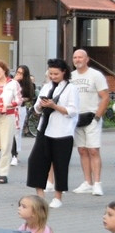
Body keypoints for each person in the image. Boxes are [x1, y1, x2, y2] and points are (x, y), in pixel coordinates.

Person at [27, 58, 79, 209]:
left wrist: (54, 106)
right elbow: (36, 110)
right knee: (36, 161)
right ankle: (40, 196)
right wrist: (41, 105)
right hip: (44, 129)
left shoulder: (71, 88)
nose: (53, 76)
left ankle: (58, 196)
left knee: (60, 165)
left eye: (56, 73)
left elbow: (73, 111)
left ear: (64, 72)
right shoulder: (46, 87)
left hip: (63, 131)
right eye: (51, 73)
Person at [69, 48, 109, 196]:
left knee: (93, 150)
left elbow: (105, 97)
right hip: (77, 118)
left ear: (87, 59)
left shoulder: (96, 75)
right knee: (82, 150)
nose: (77, 60)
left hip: (92, 116)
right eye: (75, 57)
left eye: (80, 57)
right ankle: (87, 182)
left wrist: (97, 116)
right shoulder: (71, 77)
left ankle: (97, 183)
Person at [12, 64, 35, 166]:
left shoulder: (28, 84)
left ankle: (15, 154)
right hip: (11, 108)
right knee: (9, 131)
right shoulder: (12, 82)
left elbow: (30, 96)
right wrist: (14, 81)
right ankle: (2, 153)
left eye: (21, 73)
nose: (19, 75)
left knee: (17, 131)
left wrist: (21, 99)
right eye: (18, 72)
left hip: (20, 108)